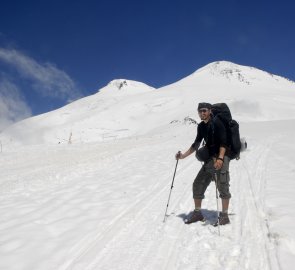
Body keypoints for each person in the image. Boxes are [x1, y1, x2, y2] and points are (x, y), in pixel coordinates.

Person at [175, 102, 231, 225]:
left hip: (222, 155)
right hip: (211, 159)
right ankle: (197, 213)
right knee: (198, 184)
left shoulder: (217, 123)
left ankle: (224, 216)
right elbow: (196, 144)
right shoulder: (201, 126)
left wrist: (220, 158)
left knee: (222, 185)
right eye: (200, 111)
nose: (202, 113)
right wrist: (183, 156)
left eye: (204, 110)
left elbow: (224, 142)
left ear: (210, 111)